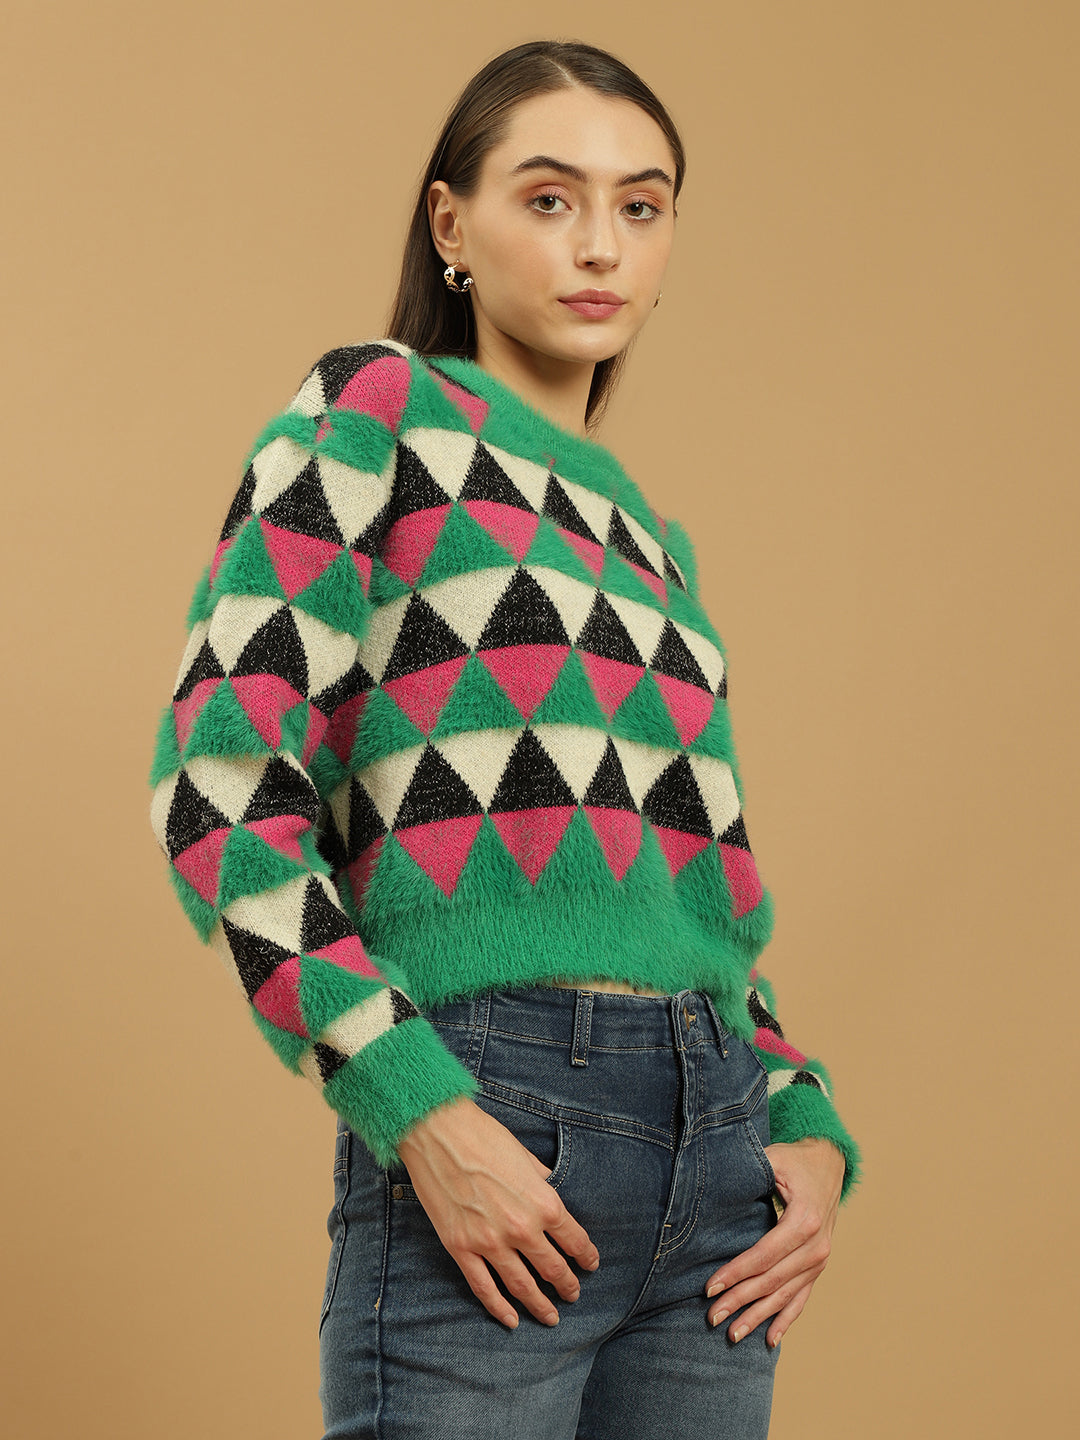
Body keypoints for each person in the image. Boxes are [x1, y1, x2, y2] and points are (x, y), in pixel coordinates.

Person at [148, 38, 860, 1440]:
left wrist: (802, 1119)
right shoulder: (376, 413)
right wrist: (418, 1108)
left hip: (717, 1165)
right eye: (548, 198)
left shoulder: (652, 547)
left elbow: (702, 910)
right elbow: (218, 787)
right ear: (451, 225)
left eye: (640, 206)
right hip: (494, 1113)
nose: (600, 245)